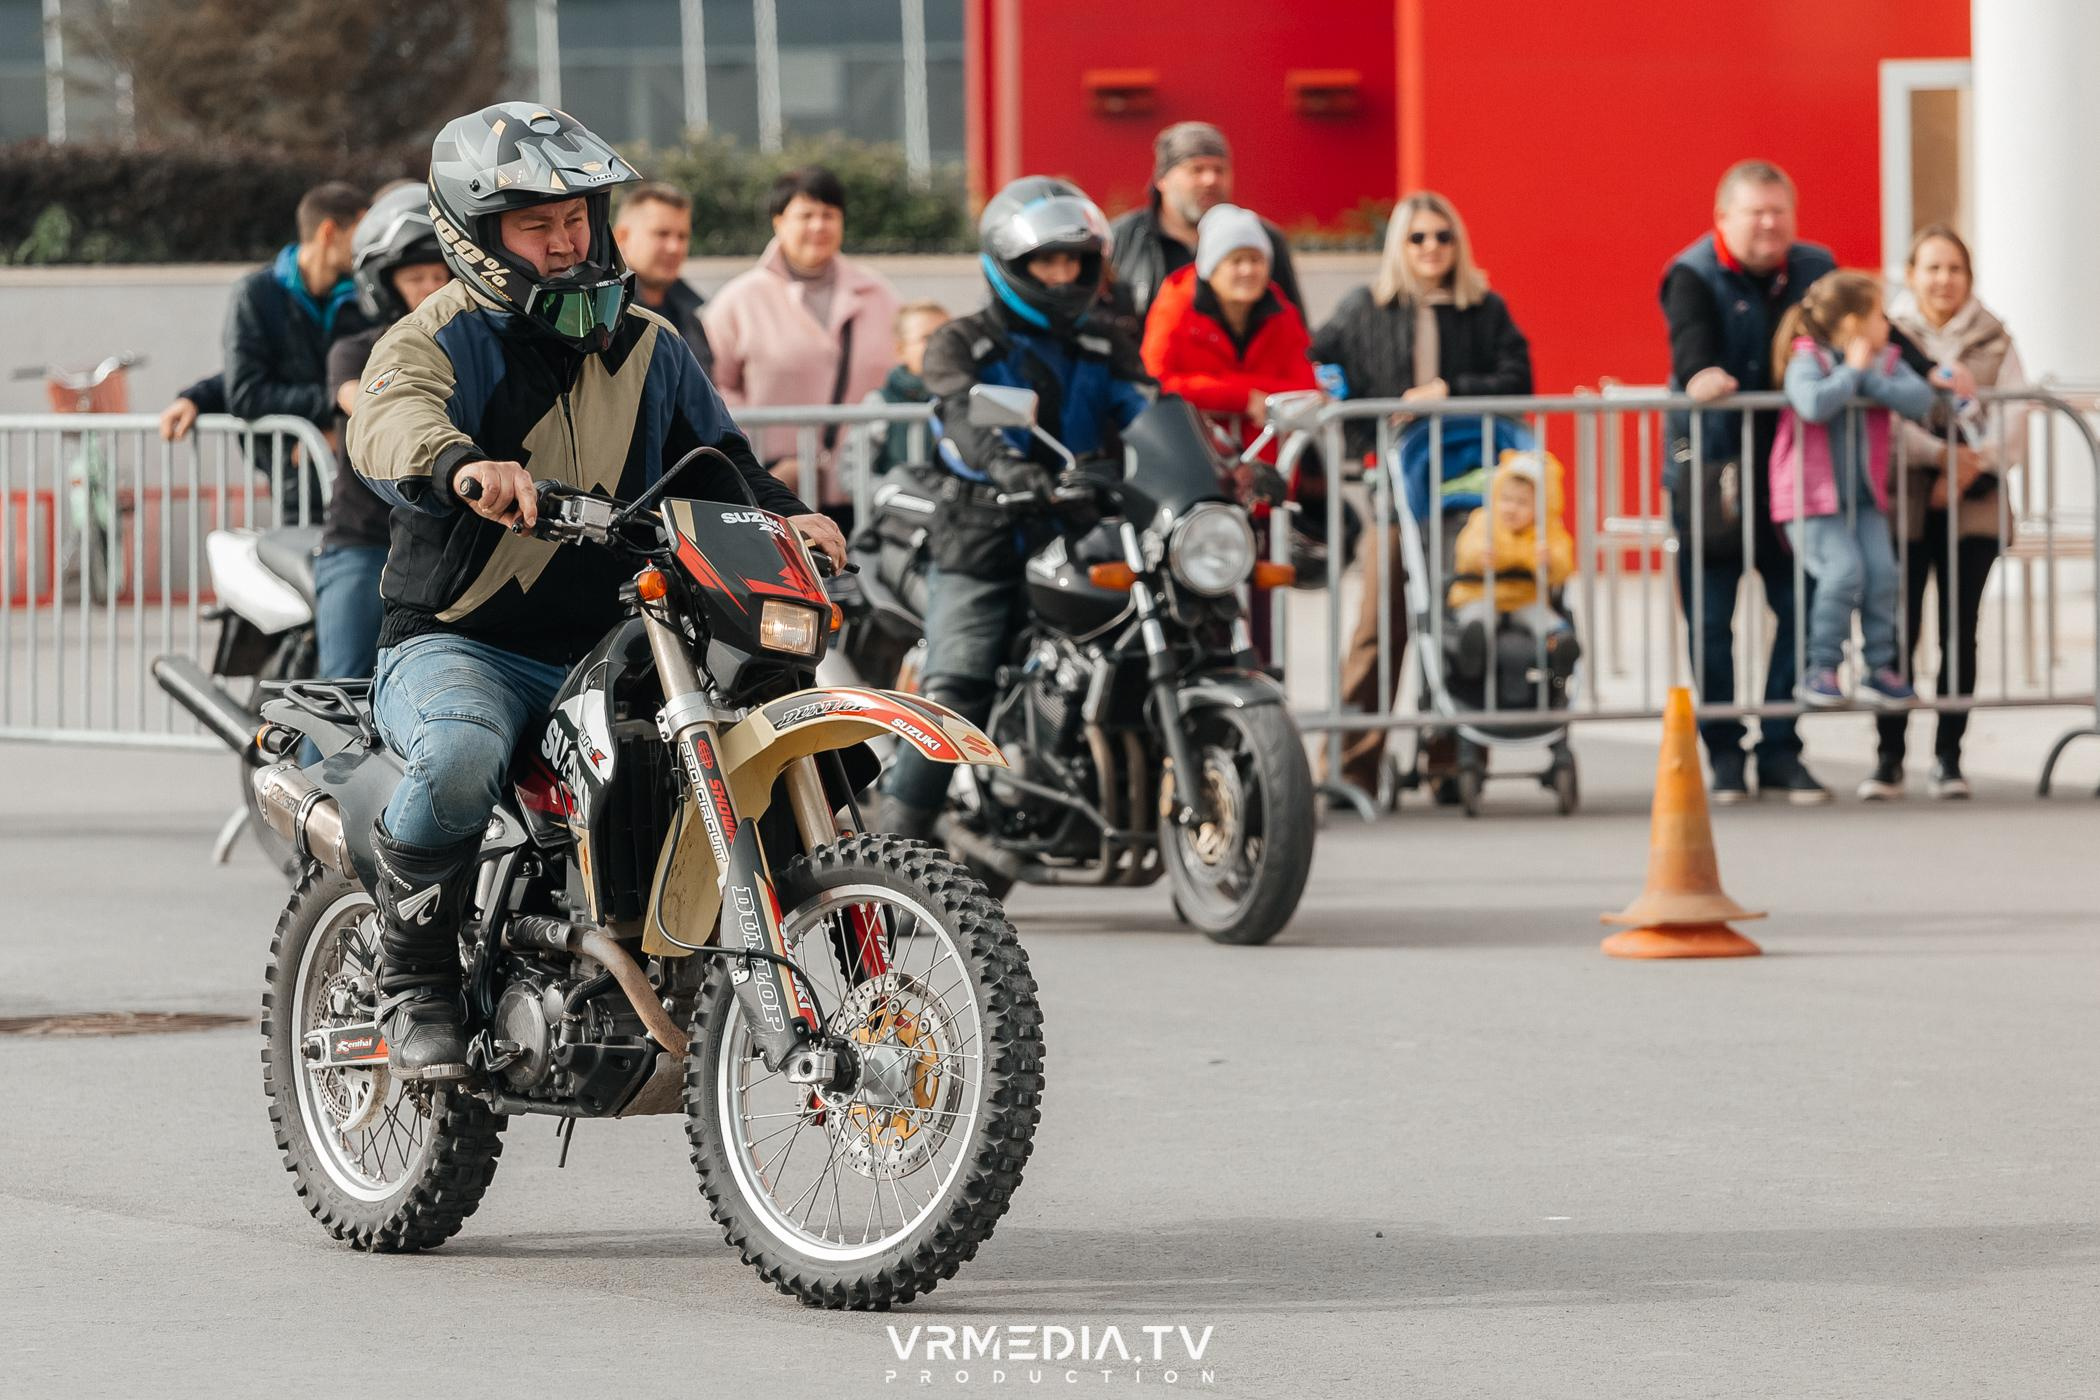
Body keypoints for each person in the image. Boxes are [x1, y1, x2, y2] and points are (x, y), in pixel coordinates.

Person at [346, 102, 843, 1081]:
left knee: (742, 722)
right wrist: (460, 466)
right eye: (538, 225)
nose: (568, 241)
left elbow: (719, 462)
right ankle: (414, 983)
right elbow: (387, 422)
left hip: (613, 644)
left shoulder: (650, 343)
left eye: (578, 217)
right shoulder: (435, 340)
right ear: (476, 235)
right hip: (462, 641)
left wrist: (795, 516)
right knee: (458, 754)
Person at [876, 176, 1152, 841]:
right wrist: (1009, 467)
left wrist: (1219, 468)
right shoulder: (963, 343)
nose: (1062, 277)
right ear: (1011, 265)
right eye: (1045, 263)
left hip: (1080, 533)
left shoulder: (1105, 340)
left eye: (1073, 262)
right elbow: (965, 420)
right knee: (956, 689)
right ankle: (895, 852)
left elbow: (1149, 413)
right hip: (984, 532)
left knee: (1143, 641)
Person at [1309, 190, 1532, 795]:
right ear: (1398, 247)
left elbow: (1519, 378)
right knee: (1380, 624)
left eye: (1442, 236)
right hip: (1395, 493)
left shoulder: (1484, 307)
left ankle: (1452, 762)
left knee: (1460, 620)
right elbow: (1316, 362)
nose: (1431, 248)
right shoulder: (1365, 308)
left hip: (1469, 490)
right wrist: (1357, 427)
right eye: (1417, 238)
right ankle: (1350, 766)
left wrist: (1449, 390)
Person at [1661, 160, 1845, 803]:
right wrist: (1700, 376)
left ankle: (1780, 747)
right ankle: (1723, 753)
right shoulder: (1691, 272)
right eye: (1755, 212)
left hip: (1794, 476)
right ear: (1723, 219)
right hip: (1712, 475)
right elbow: (1691, 348)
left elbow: (1869, 328)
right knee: (1711, 623)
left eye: (1779, 211)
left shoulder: (1817, 268)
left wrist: (1930, 373)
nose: (1769, 224)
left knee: (1799, 611)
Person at [1864, 226, 2027, 800]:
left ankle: (1949, 758)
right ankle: (1888, 758)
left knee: (1961, 631)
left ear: (1969, 277)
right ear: (1911, 275)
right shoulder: (1892, 336)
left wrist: (1968, 471)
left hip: (1975, 509)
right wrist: (1945, 458)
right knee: (1897, 631)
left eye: (1954, 268)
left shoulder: (1996, 340)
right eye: (1932, 268)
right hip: (1905, 506)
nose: (1943, 280)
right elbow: (1891, 425)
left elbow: (2013, 427)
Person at [1768, 270, 1936, 714]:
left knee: (1883, 574)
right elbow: (1812, 403)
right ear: (1852, 323)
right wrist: (1852, 373)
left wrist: (1868, 381)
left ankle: (1879, 668)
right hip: (1811, 498)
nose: (1888, 324)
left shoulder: (1883, 359)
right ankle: (1821, 667)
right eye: (1879, 315)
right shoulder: (1808, 357)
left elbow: (1919, 398)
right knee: (1843, 573)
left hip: (1862, 497)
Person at [702, 166, 903, 524]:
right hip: (777, 491)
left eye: (829, 215)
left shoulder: (878, 294)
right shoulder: (740, 299)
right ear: (778, 221)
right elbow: (714, 386)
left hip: (864, 488)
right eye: (806, 214)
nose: (818, 226)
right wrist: (762, 457)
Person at [313, 180, 453, 683]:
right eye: (416, 276)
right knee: (341, 696)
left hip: (447, 547)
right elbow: (365, 400)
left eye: (442, 274)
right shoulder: (354, 350)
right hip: (364, 541)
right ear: (385, 282)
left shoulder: (478, 354)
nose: (431, 288)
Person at [160, 183, 372, 513]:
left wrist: (337, 429)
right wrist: (334, 413)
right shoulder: (257, 294)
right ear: (329, 232)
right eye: (363, 231)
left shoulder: (363, 296)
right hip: (300, 483)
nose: (369, 243)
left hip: (360, 476)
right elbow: (247, 390)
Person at [1108, 121, 1301, 325]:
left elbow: (1293, 329)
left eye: (1219, 170)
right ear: (1161, 179)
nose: (1210, 180)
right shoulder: (1120, 238)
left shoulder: (1263, 240)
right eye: (1196, 170)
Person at [1446, 449, 1578, 675]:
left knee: (1546, 620)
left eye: (1522, 502)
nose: (1511, 508)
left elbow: (1564, 565)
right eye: (1505, 500)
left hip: (1525, 597)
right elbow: (1464, 551)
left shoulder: (1547, 532)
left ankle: (1560, 646)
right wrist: (1478, 556)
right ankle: (1473, 650)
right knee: (1477, 616)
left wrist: (1550, 562)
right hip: (1479, 593)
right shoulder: (1483, 521)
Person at [613, 181, 713, 373]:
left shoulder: (691, 320)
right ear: (622, 237)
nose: (674, 247)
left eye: (682, 236)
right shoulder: (606, 319)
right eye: (662, 234)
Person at [869, 300, 950, 477]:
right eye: (927, 338)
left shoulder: (964, 396)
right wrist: (889, 491)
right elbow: (854, 473)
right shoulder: (881, 402)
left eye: (945, 336)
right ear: (901, 349)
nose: (939, 345)